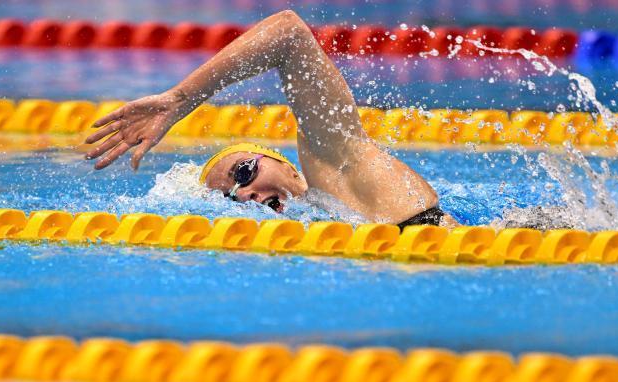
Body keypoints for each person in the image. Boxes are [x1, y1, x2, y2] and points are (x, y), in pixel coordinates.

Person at [84, 10, 452, 228]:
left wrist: (179, 99)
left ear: (289, 167)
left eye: (244, 173)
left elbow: (288, 33)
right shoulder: (315, 229)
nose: (244, 194)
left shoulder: (340, 166)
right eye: (231, 198)